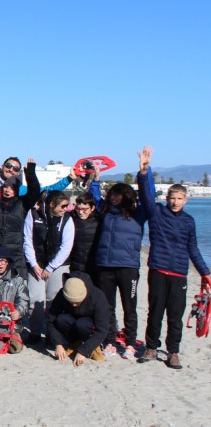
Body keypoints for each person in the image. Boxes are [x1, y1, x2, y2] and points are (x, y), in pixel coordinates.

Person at [139, 182, 211, 369]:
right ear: (167, 198)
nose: (175, 202)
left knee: (175, 316)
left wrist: (205, 273)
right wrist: (144, 173)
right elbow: (147, 196)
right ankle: (151, 348)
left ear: (185, 200)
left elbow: (193, 249)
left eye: (179, 198)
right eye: (172, 198)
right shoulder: (157, 213)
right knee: (155, 312)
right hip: (158, 271)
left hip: (179, 274)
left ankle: (173, 353)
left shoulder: (188, 221)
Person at [95, 146, 154, 360]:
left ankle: (130, 343)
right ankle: (110, 341)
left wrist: (144, 173)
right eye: (112, 194)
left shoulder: (138, 214)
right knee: (108, 306)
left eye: (118, 195)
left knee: (130, 306)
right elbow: (94, 195)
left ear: (127, 195)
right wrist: (95, 179)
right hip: (105, 266)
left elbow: (149, 197)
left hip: (128, 267)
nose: (114, 198)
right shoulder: (105, 211)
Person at [23, 190, 75, 344]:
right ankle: (35, 331)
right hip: (36, 263)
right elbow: (28, 240)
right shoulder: (33, 215)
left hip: (58, 264)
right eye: (63, 206)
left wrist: (51, 267)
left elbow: (66, 247)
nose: (65, 209)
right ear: (52, 204)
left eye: (67, 206)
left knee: (54, 299)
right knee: (35, 299)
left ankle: (53, 333)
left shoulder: (67, 220)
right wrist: (34, 264)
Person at [0, 155, 40, 277]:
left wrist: (30, 174)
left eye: (12, 187)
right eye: (6, 187)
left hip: (13, 256)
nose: (7, 190)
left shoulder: (22, 204)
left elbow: (34, 192)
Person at [47, 273, 109, 366]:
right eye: (71, 302)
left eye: (77, 302)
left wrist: (83, 352)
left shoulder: (98, 296)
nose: (74, 305)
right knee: (61, 319)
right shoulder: (61, 294)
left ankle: (92, 347)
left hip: (88, 326)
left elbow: (102, 329)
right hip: (71, 323)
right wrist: (58, 343)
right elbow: (50, 320)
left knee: (82, 324)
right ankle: (73, 344)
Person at [69, 191, 100, 274]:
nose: (80, 212)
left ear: (92, 208)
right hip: (74, 265)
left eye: (84, 209)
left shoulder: (100, 220)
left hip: (93, 266)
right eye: (78, 209)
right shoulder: (70, 218)